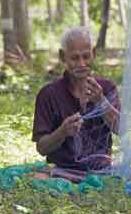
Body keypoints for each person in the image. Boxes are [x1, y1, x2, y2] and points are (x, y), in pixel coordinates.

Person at [32, 26, 120, 171]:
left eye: (86, 56)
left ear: (94, 54)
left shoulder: (107, 88)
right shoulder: (48, 94)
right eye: (74, 58)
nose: (81, 64)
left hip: (101, 170)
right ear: (62, 57)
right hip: (62, 170)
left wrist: (101, 102)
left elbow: (120, 129)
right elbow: (42, 148)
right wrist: (62, 132)